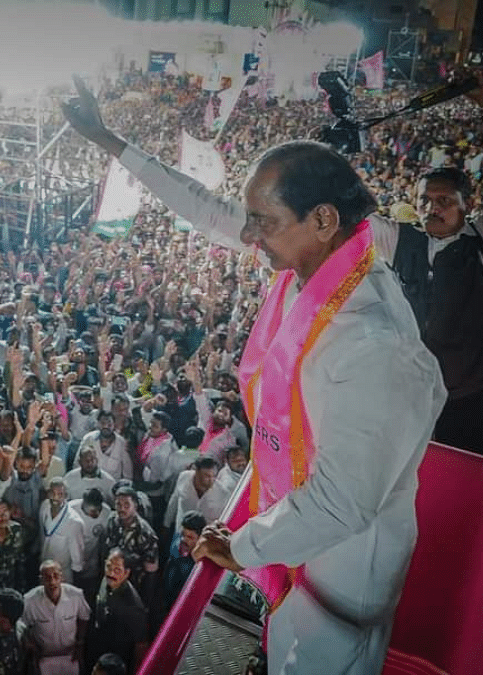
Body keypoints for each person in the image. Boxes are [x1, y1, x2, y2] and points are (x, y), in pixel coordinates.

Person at [64, 77, 447, 673]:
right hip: (296, 552)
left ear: (323, 219)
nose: (246, 237)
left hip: (342, 581)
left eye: (262, 222)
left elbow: (341, 504)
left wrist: (241, 546)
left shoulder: (371, 343)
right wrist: (109, 140)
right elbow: (206, 210)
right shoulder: (318, 264)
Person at [380, 71, 483, 459]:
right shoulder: (402, 239)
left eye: (444, 200)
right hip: (410, 396)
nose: (432, 208)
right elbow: (346, 219)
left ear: (468, 204)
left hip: (476, 402)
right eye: (425, 200)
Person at [20, 560, 90, 675]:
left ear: (62, 577)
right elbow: (23, 626)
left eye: (55, 576)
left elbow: (84, 617)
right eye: (47, 577)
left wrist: (80, 643)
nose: (52, 581)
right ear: (41, 579)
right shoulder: (30, 600)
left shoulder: (76, 595)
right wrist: (32, 646)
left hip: (70, 654)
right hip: (44, 656)